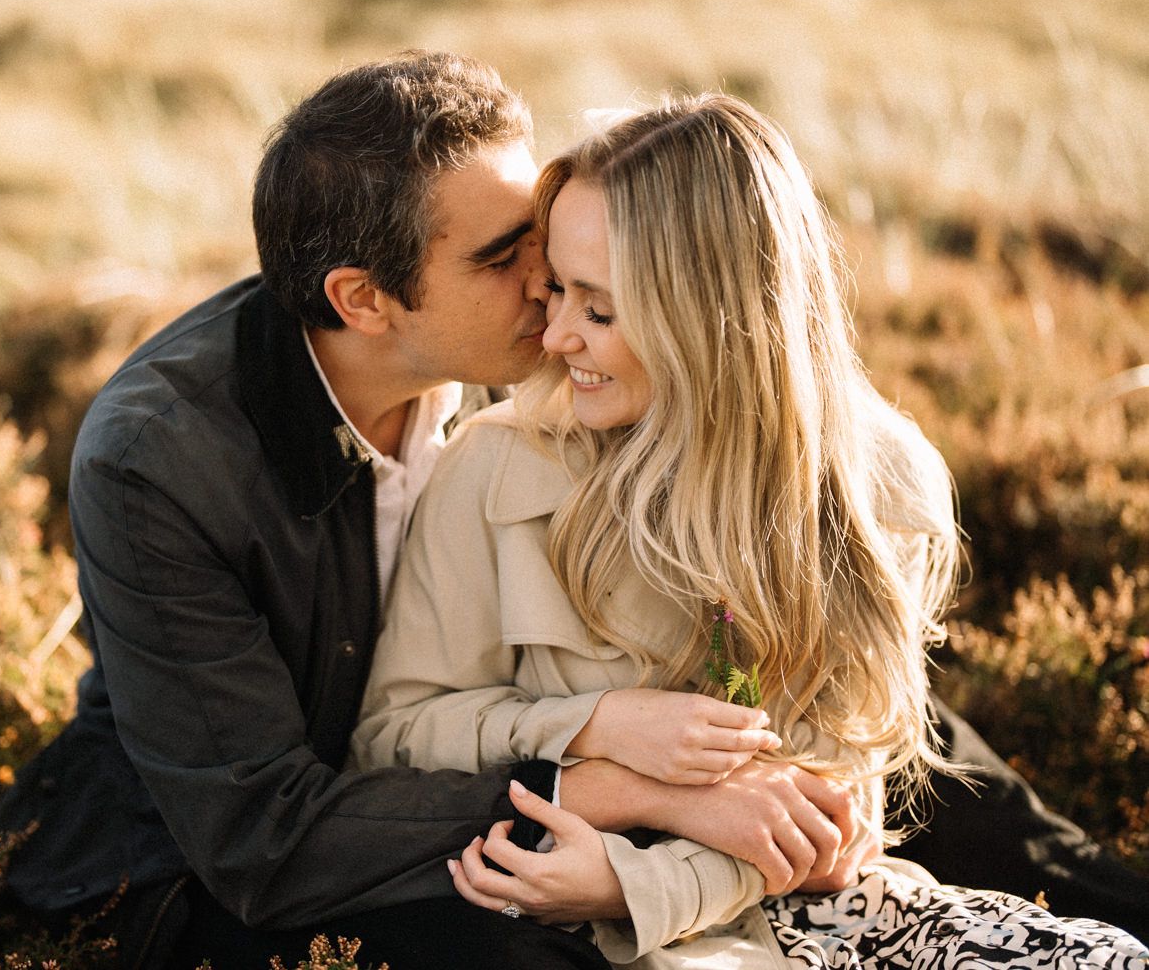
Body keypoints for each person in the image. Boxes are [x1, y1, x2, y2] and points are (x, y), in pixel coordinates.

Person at [0, 53, 1144, 968]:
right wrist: (631, 781)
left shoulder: (540, 344)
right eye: (508, 256)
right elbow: (271, 834)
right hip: (295, 822)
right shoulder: (161, 460)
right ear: (365, 299)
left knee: (963, 791)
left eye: (558, 252)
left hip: (576, 738)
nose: (549, 284)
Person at [350, 93, 1149, 966]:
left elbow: (838, 805)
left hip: (808, 913)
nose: (555, 334)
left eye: (600, 309)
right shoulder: (493, 470)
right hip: (566, 923)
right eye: (557, 291)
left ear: (712, 318)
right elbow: (392, 737)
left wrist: (643, 882)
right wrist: (599, 728)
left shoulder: (882, 482)